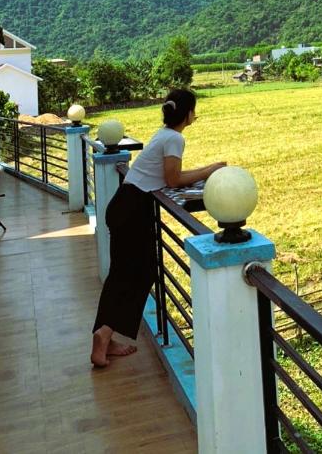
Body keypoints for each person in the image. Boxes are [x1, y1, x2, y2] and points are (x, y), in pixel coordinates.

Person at [90, 88, 226, 368]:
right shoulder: (175, 138)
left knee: (120, 274)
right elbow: (173, 179)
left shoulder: (163, 134)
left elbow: (165, 178)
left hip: (124, 204)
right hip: (133, 209)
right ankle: (104, 335)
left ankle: (104, 338)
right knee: (141, 273)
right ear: (189, 113)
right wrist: (210, 169)